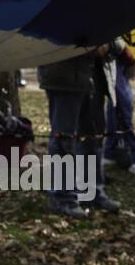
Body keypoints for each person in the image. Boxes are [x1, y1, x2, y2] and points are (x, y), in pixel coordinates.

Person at [37, 42, 123, 218]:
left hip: (94, 76)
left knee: (93, 138)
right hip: (63, 75)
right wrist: (84, 44)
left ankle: (91, 191)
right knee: (63, 139)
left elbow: (117, 35)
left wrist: (108, 45)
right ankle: (62, 197)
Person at [105, 46, 135, 176]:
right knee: (122, 105)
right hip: (114, 57)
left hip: (119, 58)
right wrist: (130, 57)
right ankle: (134, 156)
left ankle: (109, 151)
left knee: (114, 106)